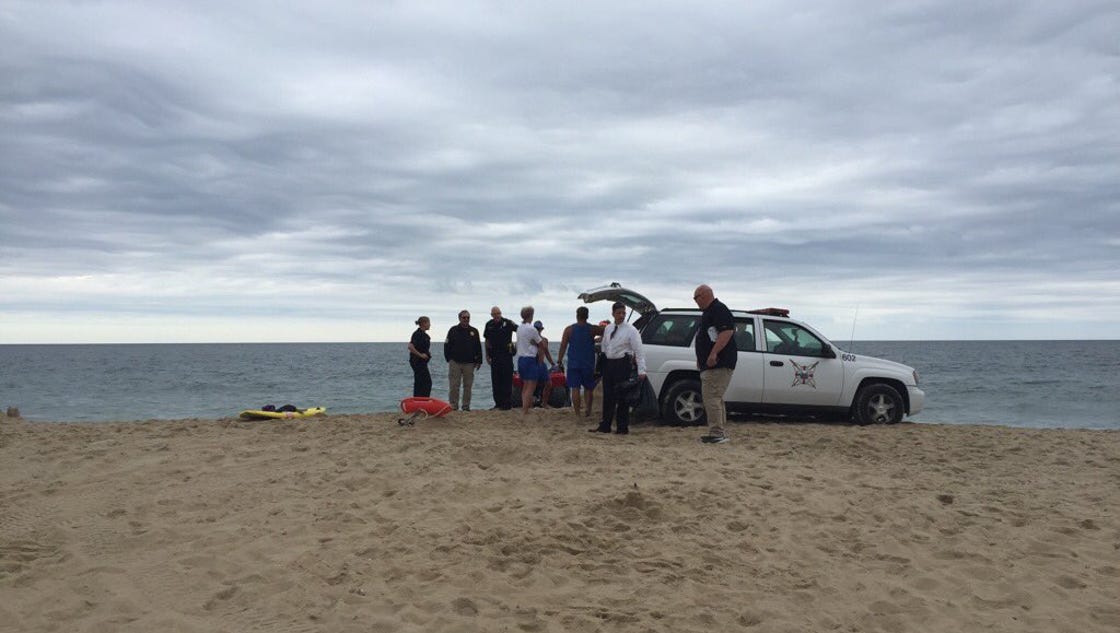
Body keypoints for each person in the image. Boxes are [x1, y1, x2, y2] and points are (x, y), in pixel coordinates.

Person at [590, 302, 646, 435]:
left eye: (623, 313)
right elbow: (605, 345)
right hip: (609, 364)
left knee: (622, 397)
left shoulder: (631, 330)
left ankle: (622, 427)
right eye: (619, 313)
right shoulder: (609, 328)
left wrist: (641, 370)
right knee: (608, 395)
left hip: (622, 364)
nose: (621, 315)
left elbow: (639, 350)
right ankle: (605, 425)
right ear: (613, 313)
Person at [693, 284, 737, 444]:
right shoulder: (708, 312)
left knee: (711, 397)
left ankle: (717, 433)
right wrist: (701, 356)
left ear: (704, 295)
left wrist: (713, 353)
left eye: (695, 298)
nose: (695, 302)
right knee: (716, 397)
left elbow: (726, 332)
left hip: (718, 363)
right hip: (710, 363)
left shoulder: (719, 309)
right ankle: (719, 431)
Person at [557, 306, 604, 417]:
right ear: (587, 316)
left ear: (577, 315)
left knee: (575, 388)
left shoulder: (569, 329)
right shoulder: (593, 329)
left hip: (574, 363)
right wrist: (597, 339)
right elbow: (606, 331)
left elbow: (563, 346)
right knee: (589, 388)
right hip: (588, 363)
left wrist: (559, 360)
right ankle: (588, 410)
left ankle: (577, 413)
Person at [445, 310, 482, 411]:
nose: (466, 319)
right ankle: (453, 406)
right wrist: (448, 358)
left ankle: (466, 407)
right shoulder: (453, 330)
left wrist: (479, 360)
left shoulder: (474, 331)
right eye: (464, 317)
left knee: (468, 386)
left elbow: (478, 346)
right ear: (459, 318)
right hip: (455, 362)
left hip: (469, 363)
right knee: (454, 386)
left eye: (468, 317)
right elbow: (447, 344)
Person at [483, 306, 517, 410]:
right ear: (492, 315)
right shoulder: (489, 325)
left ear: (501, 313)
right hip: (495, 356)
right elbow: (487, 340)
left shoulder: (508, 323)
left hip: (506, 356)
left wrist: (516, 345)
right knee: (496, 381)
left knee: (506, 380)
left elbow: (520, 331)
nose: (497, 316)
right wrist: (487, 355)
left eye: (498, 313)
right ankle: (498, 404)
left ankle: (507, 404)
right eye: (494, 314)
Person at [515, 306, 543, 416]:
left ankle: (524, 408)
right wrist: (536, 344)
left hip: (521, 359)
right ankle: (525, 410)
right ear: (530, 316)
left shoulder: (519, 328)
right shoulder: (532, 329)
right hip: (530, 359)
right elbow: (542, 344)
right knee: (531, 386)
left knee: (525, 386)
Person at [407, 316, 433, 397]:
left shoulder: (425, 335)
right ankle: (420, 400)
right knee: (425, 382)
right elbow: (410, 347)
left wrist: (427, 354)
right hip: (417, 362)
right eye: (429, 322)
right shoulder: (417, 334)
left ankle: (422, 399)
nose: (430, 325)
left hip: (423, 363)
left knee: (424, 382)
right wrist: (421, 355)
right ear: (424, 323)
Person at [533, 320, 556, 408]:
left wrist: (553, 364)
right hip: (533, 364)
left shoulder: (545, 340)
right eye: (536, 328)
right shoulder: (530, 340)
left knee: (549, 383)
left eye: (538, 329)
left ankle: (544, 403)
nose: (537, 330)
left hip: (541, 364)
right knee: (532, 385)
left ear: (541, 329)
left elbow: (547, 353)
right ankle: (531, 404)